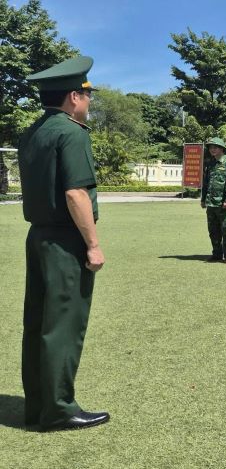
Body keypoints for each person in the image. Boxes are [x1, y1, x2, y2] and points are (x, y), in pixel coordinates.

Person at [17, 55, 109, 430]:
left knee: (38, 323)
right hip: (64, 240)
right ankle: (58, 409)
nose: (89, 103)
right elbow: (76, 194)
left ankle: (38, 404)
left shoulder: (34, 131)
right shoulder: (71, 133)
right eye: (87, 96)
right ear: (74, 96)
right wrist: (93, 244)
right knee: (64, 325)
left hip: (37, 235)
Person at [201, 137, 226, 262]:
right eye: (211, 147)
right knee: (213, 230)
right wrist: (203, 199)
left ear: (222, 149)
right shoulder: (210, 163)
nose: (212, 149)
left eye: (215, 147)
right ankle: (216, 253)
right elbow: (205, 183)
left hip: (224, 203)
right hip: (211, 202)